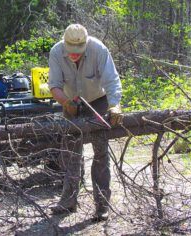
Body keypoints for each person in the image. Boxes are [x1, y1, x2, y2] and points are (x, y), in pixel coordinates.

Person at [48, 23, 123, 221]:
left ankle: (101, 205)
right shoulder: (56, 52)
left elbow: (112, 80)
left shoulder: (98, 49)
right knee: (71, 153)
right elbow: (54, 85)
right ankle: (68, 202)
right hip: (71, 102)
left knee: (100, 152)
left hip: (98, 101)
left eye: (77, 51)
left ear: (85, 43)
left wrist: (115, 105)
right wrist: (65, 102)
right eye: (70, 51)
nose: (73, 54)